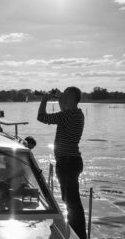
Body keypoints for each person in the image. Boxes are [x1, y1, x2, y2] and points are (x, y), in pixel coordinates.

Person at [37, 87, 87, 239]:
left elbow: (42, 117)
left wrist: (44, 100)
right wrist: (60, 98)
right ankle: (77, 231)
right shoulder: (77, 113)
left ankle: (78, 234)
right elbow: (65, 108)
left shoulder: (67, 115)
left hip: (66, 163)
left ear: (70, 98)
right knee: (71, 200)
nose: (62, 96)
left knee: (72, 202)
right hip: (72, 161)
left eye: (65, 94)